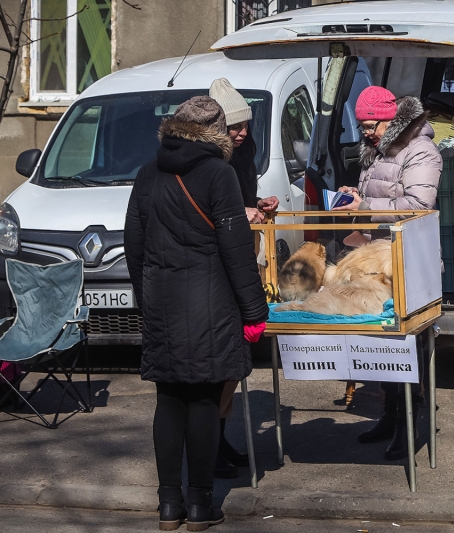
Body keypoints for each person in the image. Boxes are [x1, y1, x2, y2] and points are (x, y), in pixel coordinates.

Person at [124, 96, 269, 531]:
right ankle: (201, 505)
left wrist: (147, 293)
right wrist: (254, 310)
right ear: (217, 134)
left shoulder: (148, 173)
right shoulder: (219, 174)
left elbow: (134, 242)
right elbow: (236, 249)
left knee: (168, 400)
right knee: (205, 401)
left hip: (162, 302)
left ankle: (169, 504)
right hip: (211, 305)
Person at [333, 86, 442, 460]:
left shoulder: (421, 151)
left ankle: (410, 423)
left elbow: (418, 204)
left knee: (406, 343)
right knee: (383, 344)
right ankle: (390, 416)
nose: (365, 132)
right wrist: (355, 197)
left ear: (392, 120)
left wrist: (366, 206)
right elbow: (377, 198)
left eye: (370, 125)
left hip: (409, 263)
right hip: (378, 261)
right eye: (362, 125)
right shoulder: (376, 152)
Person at [209, 77, 278, 479]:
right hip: (219, 273)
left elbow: (238, 202)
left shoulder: (243, 153)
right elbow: (211, 213)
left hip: (242, 261)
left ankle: (220, 440)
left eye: (246, 124)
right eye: (235, 126)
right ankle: (211, 447)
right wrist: (241, 213)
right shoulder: (210, 161)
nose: (243, 132)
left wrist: (256, 205)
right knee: (220, 366)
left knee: (235, 364)